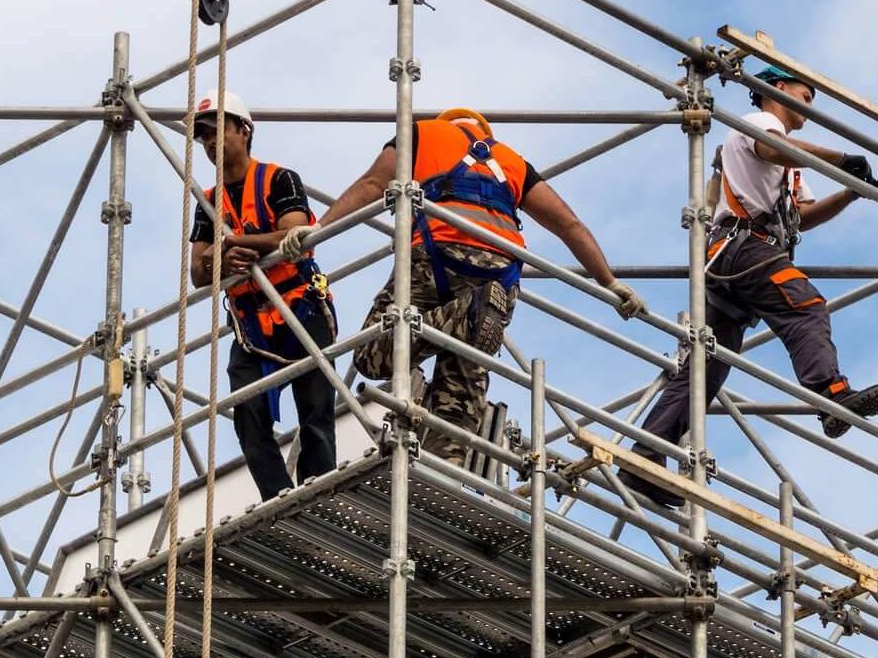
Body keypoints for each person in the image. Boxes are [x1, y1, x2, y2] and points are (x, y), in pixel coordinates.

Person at [282, 108, 644, 469]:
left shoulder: (422, 134)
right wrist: (609, 283)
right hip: (500, 276)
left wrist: (318, 231)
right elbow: (569, 223)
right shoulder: (512, 162)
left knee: (370, 354)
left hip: (437, 256)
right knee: (458, 399)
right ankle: (444, 475)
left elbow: (373, 185)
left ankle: (468, 315)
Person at [619, 64, 878, 507]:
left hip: (738, 256)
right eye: (803, 95)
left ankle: (645, 456)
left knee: (707, 366)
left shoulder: (791, 163)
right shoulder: (761, 124)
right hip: (744, 248)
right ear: (775, 89)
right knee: (805, 306)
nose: (807, 104)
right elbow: (773, 150)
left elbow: (803, 215)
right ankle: (831, 395)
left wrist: (850, 192)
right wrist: (843, 160)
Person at [188, 91, 338, 500]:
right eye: (202, 137)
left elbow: (296, 235)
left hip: (299, 306)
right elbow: (198, 273)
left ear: (244, 130)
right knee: (249, 415)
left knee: (315, 409)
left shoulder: (279, 179)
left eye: (217, 131)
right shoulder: (208, 200)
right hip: (251, 322)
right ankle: (277, 497)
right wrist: (222, 257)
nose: (209, 143)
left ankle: (319, 494)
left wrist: (239, 242)